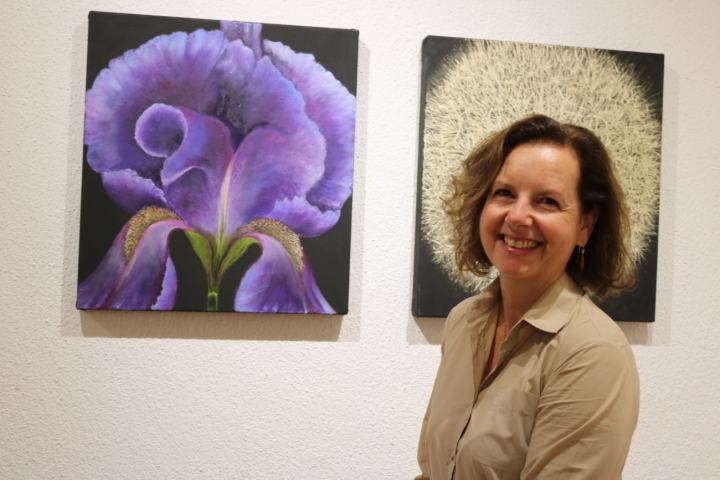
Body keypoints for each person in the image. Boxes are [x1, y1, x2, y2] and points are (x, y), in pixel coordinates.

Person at [415, 114, 640, 479]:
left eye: (547, 201)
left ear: (585, 225)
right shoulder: (464, 320)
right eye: (504, 193)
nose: (518, 216)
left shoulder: (592, 352)